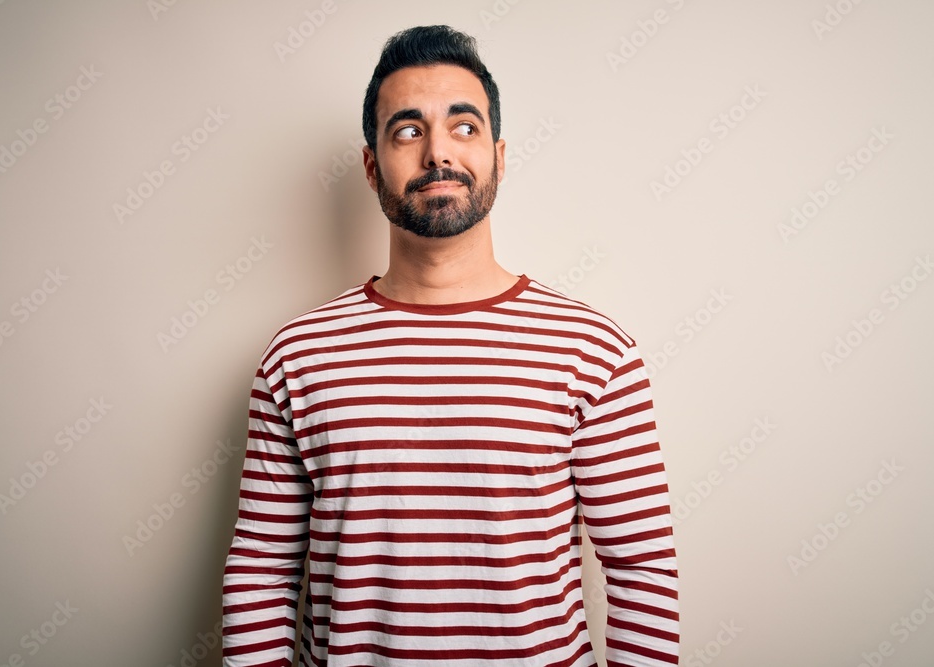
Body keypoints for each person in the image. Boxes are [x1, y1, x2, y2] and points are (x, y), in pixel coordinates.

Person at [222, 24, 679, 667]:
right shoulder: (297, 357)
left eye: (463, 126)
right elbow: (259, 579)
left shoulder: (594, 350)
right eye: (408, 130)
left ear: (498, 153)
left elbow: (643, 576)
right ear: (371, 164)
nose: (439, 153)